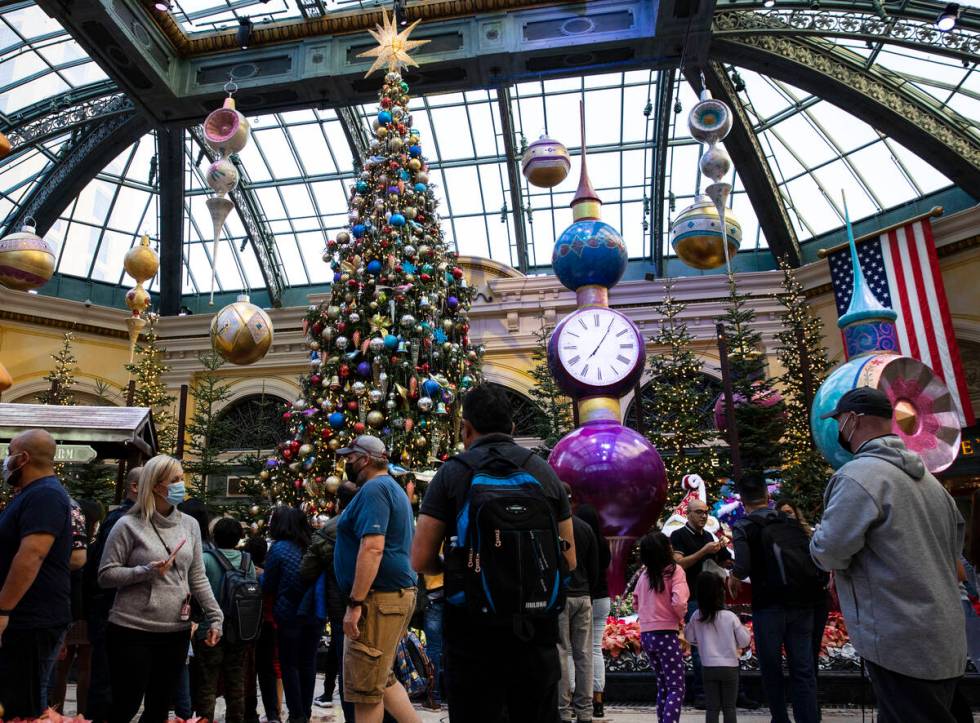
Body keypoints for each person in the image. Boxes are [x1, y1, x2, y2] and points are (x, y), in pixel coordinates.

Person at [411, 383, 577, 723]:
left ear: (466, 428)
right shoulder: (544, 472)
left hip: (473, 632)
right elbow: (569, 560)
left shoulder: (453, 473)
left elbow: (420, 558)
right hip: (535, 632)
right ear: (513, 428)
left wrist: (459, 567)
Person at [811, 387, 965, 723]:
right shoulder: (931, 482)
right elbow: (955, 548)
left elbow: (829, 551)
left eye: (839, 420)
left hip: (900, 638)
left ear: (853, 419)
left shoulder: (859, 477)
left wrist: (815, 538)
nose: (838, 429)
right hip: (945, 636)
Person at [98, 454, 223, 723]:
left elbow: (197, 575)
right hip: (131, 629)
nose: (182, 485)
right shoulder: (127, 524)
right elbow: (106, 575)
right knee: (125, 704)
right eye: (175, 480)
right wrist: (145, 572)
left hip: (175, 631)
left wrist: (215, 617)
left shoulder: (189, 525)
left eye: (182, 478)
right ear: (156, 486)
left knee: (159, 708)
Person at [334, 435, 419, 723]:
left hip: (377, 599)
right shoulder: (389, 487)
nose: (346, 462)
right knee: (382, 679)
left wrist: (355, 602)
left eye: (350, 456)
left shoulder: (375, 489)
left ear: (366, 459)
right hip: (390, 597)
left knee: (365, 687)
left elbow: (373, 546)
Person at [732, 475, 819, 723]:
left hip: (768, 605)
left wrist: (734, 576)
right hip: (802, 602)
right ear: (767, 496)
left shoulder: (744, 526)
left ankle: (780, 718)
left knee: (771, 669)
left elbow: (743, 567)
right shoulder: (789, 522)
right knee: (803, 669)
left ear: (742, 500)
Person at [0, 430, 73, 719]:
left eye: (9, 453)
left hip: (31, 618)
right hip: (24, 616)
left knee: (23, 706)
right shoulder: (31, 494)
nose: (6, 460)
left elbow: (32, 555)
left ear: (23, 458)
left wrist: (3, 608)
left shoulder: (45, 495)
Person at [84, 466, 141, 722]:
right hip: (110, 610)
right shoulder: (122, 520)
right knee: (107, 678)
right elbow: (104, 571)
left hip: (126, 612)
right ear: (135, 487)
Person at [303, 480, 358, 721]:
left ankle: (347, 710)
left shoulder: (329, 529)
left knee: (342, 652)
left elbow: (306, 571)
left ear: (337, 502)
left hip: (339, 602)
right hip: (372, 600)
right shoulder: (369, 521)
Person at [669, 498, 731, 708]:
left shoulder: (709, 535)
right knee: (698, 645)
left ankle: (727, 692)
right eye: (698, 512)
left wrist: (724, 550)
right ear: (688, 514)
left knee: (723, 643)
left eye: (705, 512)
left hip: (714, 597)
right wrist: (704, 551)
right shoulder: (679, 536)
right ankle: (702, 693)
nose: (703, 516)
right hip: (693, 597)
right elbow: (678, 564)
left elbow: (724, 561)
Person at [194, 517, 256, 723]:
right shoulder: (247, 561)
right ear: (239, 537)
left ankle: (204, 719)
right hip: (240, 630)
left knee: (207, 683)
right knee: (236, 682)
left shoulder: (205, 559)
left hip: (208, 628)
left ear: (214, 537)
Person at [261, 507, 318, 723]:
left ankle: (297, 714)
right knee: (308, 662)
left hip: (289, 613)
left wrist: (259, 577)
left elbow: (269, 584)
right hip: (313, 612)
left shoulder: (279, 549)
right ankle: (306, 710)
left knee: (289, 664)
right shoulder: (312, 546)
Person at [775, 495, 828, 709]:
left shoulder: (810, 537)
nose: (787, 516)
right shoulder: (775, 539)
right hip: (795, 603)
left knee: (812, 649)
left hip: (816, 600)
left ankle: (811, 700)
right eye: (783, 513)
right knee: (800, 653)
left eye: (790, 512)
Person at [51, 498, 104, 714]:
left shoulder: (69, 546)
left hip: (67, 610)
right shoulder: (97, 548)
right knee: (85, 666)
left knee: (61, 668)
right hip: (88, 614)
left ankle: (56, 710)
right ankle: (82, 713)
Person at [634, 532, 688, 723]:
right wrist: (680, 618)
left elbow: (635, 602)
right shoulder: (675, 571)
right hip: (666, 634)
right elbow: (679, 602)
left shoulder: (644, 575)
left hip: (647, 635)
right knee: (676, 687)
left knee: (663, 684)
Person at [685, 572, 751, 723]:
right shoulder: (730, 617)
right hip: (730, 668)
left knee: (712, 708)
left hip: (708, 667)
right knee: (729, 708)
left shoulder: (696, 616)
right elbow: (744, 641)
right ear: (721, 593)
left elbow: (689, 637)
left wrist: (700, 641)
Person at [559, 486, 599, 723]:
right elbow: (595, 567)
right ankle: (585, 710)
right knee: (584, 654)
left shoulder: (554, 527)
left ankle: (563, 709)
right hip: (583, 595)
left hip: (562, 596)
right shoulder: (585, 528)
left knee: (561, 651)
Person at [574, 504, 611, 720]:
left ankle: (572, 698)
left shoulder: (577, 537)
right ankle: (598, 700)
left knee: (572, 651)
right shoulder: (603, 542)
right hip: (602, 597)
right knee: (595, 649)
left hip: (582, 594)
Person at [243, 534, 282, 723]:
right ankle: (273, 714)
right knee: (268, 671)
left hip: (247, 626)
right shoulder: (268, 573)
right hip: (268, 624)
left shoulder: (244, 571)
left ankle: (250, 713)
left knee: (249, 672)